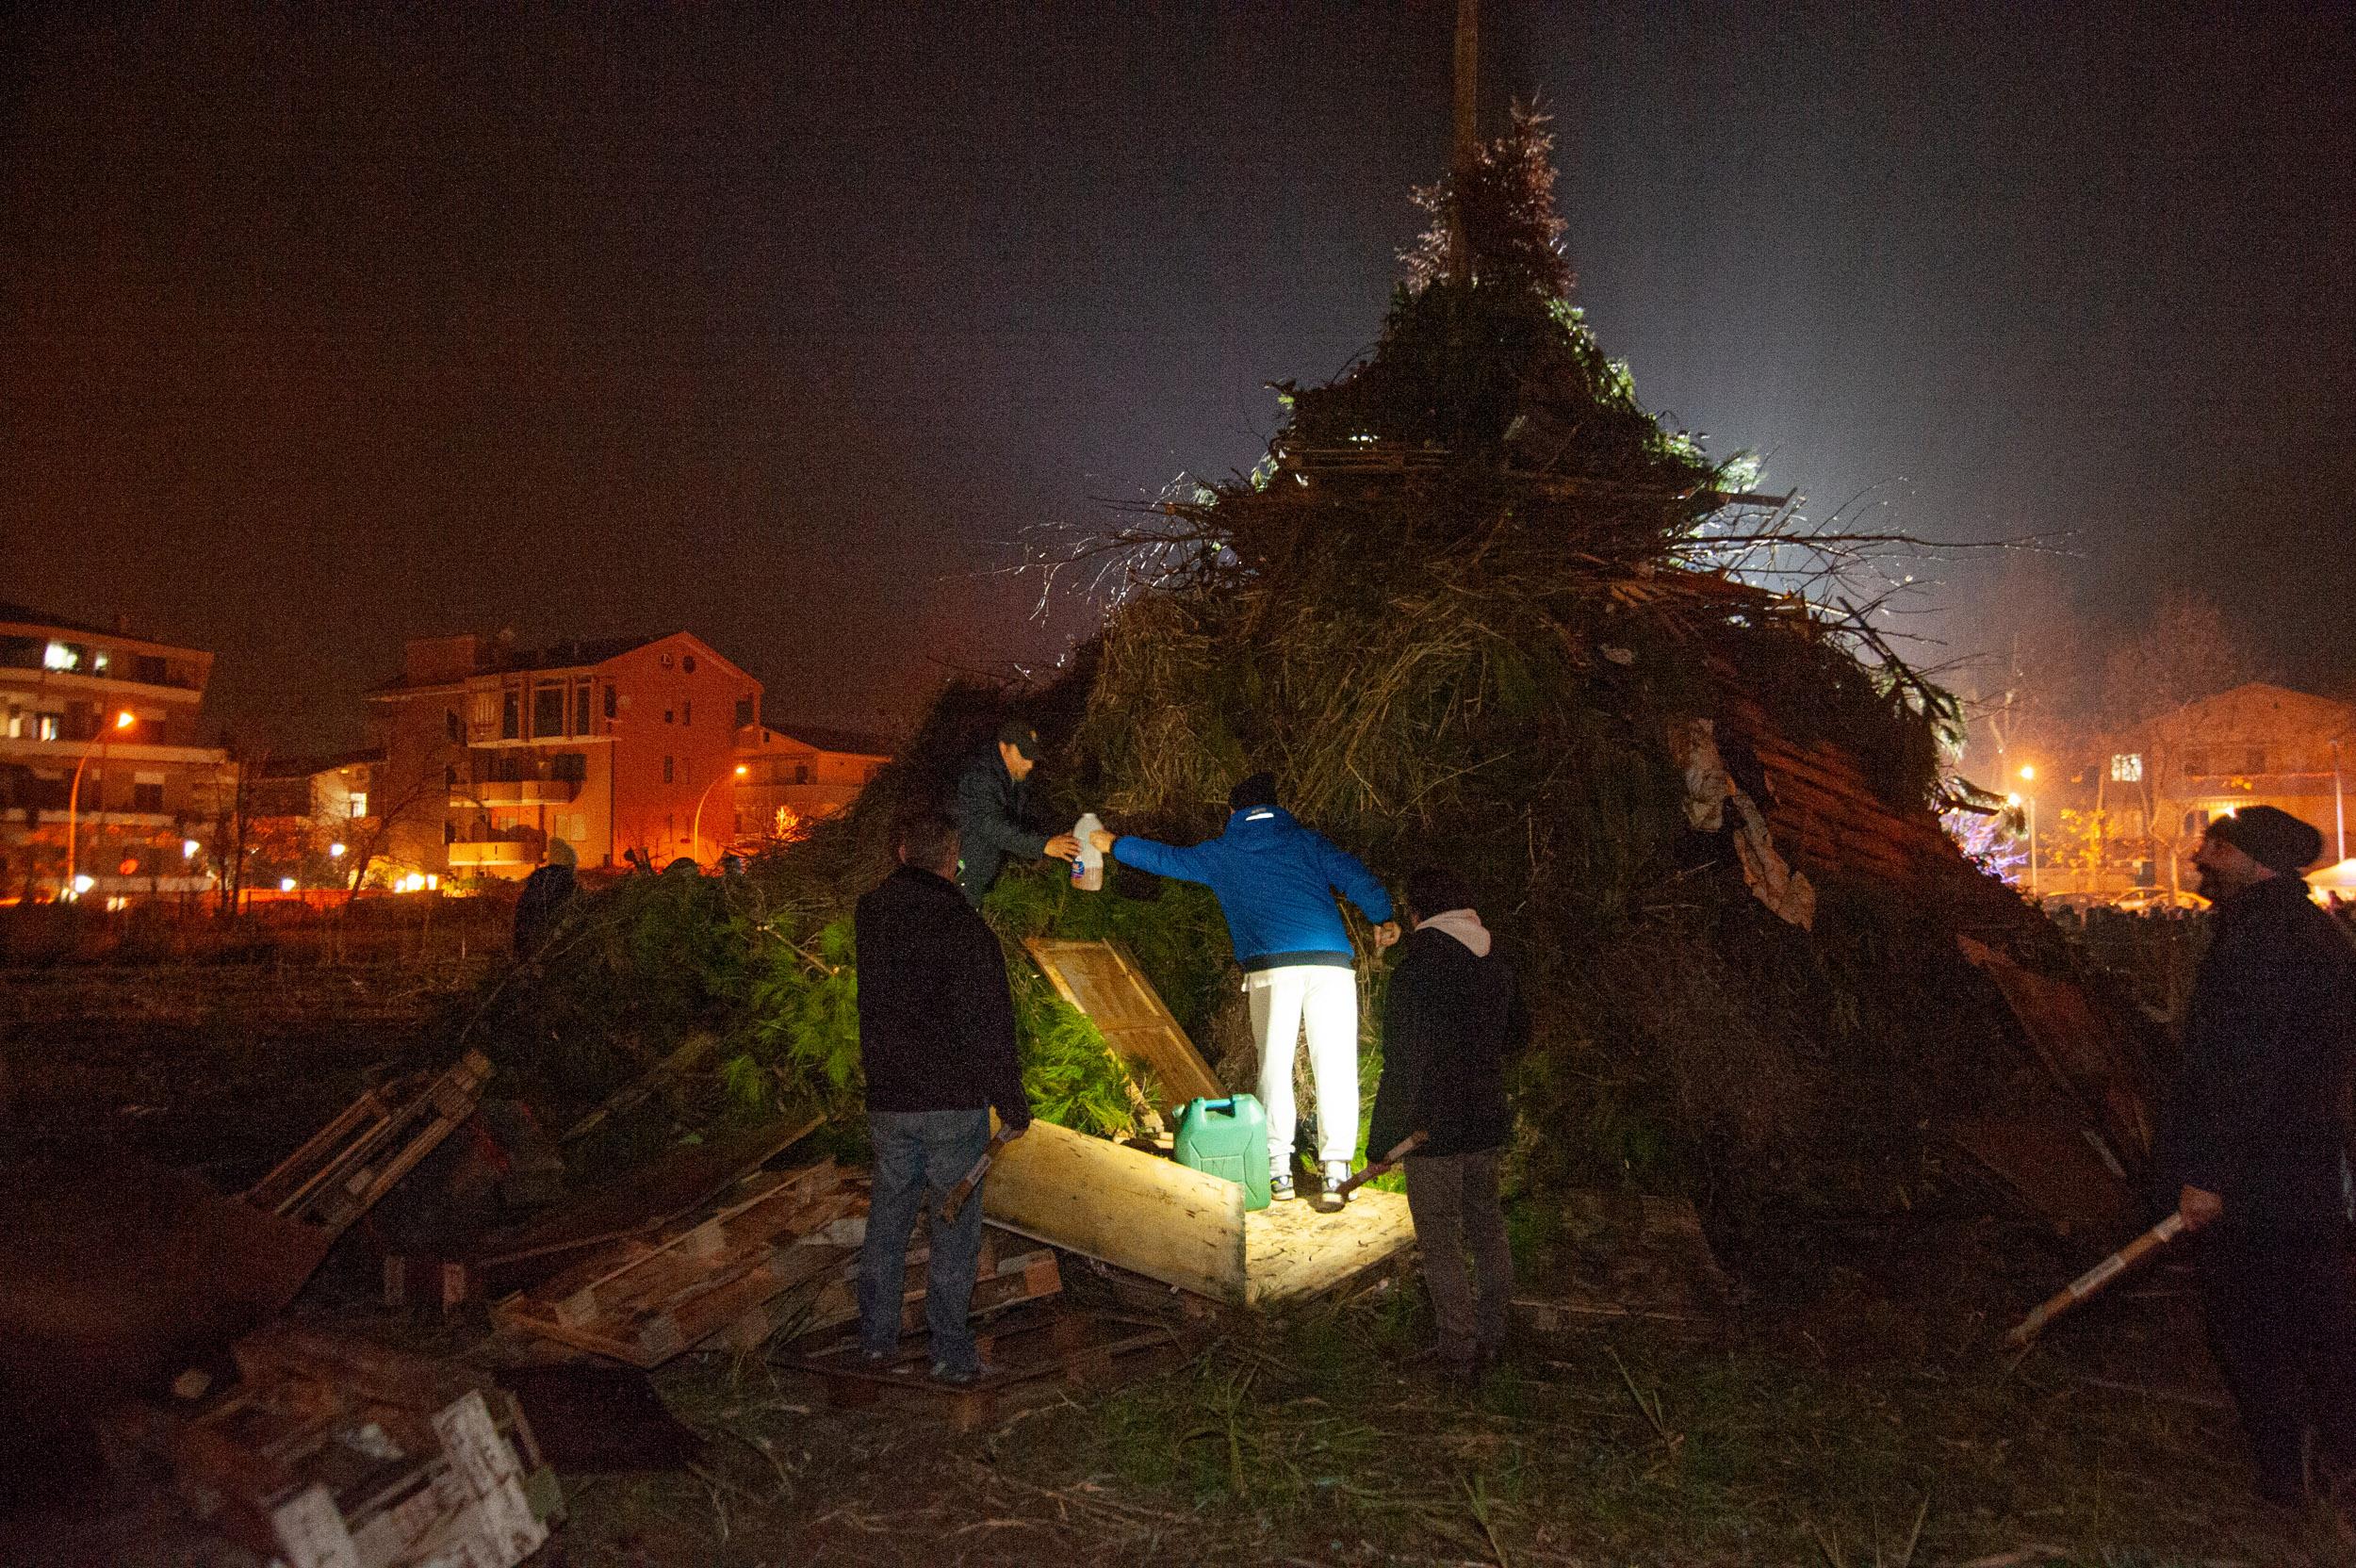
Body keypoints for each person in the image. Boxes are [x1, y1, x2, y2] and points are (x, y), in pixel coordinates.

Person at [2153, 805, 2356, 1507]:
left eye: (2215, 846)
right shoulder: (2305, 931)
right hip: (2301, 1172)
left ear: (2251, 859)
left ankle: (2283, 1482)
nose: (2199, 857)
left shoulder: (2263, 940)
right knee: (2319, 1322)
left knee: (2255, 1329)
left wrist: (2207, 1176)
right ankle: (2335, 1462)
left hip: (2256, 1183)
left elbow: (2246, 1068)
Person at [1089, 773, 1398, 1206]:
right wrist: (1383, 915)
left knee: (1275, 1067)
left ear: (1233, 812)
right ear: (1277, 806)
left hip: (1273, 970)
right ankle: (1335, 1172)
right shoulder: (1306, 841)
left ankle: (1277, 1171)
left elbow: (1166, 859)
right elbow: (1354, 874)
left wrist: (1114, 844)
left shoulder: (1223, 851)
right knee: (1337, 1066)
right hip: (1331, 965)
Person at [853, 810, 1033, 1382]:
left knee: (889, 1216)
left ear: (902, 850)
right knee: (954, 1224)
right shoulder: (968, 930)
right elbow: (992, 1023)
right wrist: (1011, 1098)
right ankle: (949, 1350)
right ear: (953, 858)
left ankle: (875, 1341)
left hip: (891, 1100)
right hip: (954, 1103)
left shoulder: (871, 916)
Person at [1367, 867, 1529, 1380]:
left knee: (1440, 1238)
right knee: (1486, 1226)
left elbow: (1402, 1064)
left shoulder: (1416, 971)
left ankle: (1457, 1352)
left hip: (1431, 1130)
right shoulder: (1496, 961)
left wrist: (1382, 1138)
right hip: (1484, 1120)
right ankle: (1494, 1335)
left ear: (1420, 915)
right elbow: (1518, 1033)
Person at [952, 719, 1080, 906]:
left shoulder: (1014, 778)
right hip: (963, 871)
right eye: (1023, 755)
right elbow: (992, 826)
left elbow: (1031, 815)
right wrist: (1044, 845)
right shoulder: (980, 777)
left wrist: (1059, 834)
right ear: (1004, 747)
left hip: (984, 872)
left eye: (1032, 757)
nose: (1029, 764)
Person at [512, 838, 579, 956]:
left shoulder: (535, 885)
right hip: (552, 952)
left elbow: (521, 922)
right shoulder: (566, 887)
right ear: (569, 866)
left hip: (528, 952)